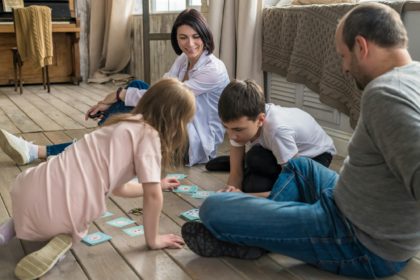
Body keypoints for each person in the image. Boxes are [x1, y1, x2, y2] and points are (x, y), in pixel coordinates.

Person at [181, 3, 420, 278]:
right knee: (299, 167)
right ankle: (267, 229)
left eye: (343, 56)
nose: (343, 67)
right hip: (344, 200)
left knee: (213, 208)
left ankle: (259, 235)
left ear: (362, 47)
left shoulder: (385, 96)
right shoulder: (413, 76)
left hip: (357, 238)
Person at [0, 78, 195, 280]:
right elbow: (153, 198)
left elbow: (119, 189)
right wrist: (153, 239)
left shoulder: (123, 123)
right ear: (175, 122)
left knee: (42, 201)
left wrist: (159, 184)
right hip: (63, 210)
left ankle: (6, 230)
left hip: (28, 186)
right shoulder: (150, 136)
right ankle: (59, 247)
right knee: (74, 221)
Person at [0, 8, 229, 167]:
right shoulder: (182, 60)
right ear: (176, 39)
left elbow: (166, 97)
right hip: (174, 122)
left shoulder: (213, 69)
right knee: (137, 87)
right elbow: (159, 90)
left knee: (124, 123)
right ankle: (100, 138)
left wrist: (116, 94)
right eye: (183, 38)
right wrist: (113, 99)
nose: (189, 44)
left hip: (191, 143)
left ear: (205, 36)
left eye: (195, 37)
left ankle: (40, 152)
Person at [215, 79, 336, 195]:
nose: (231, 136)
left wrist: (242, 196)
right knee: (253, 167)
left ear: (260, 120)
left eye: (238, 129)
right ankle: (246, 162)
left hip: (315, 155)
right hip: (279, 150)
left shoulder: (278, 132)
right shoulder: (239, 124)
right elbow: (236, 174)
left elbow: (293, 189)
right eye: (226, 127)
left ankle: (246, 163)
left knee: (254, 186)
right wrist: (230, 194)